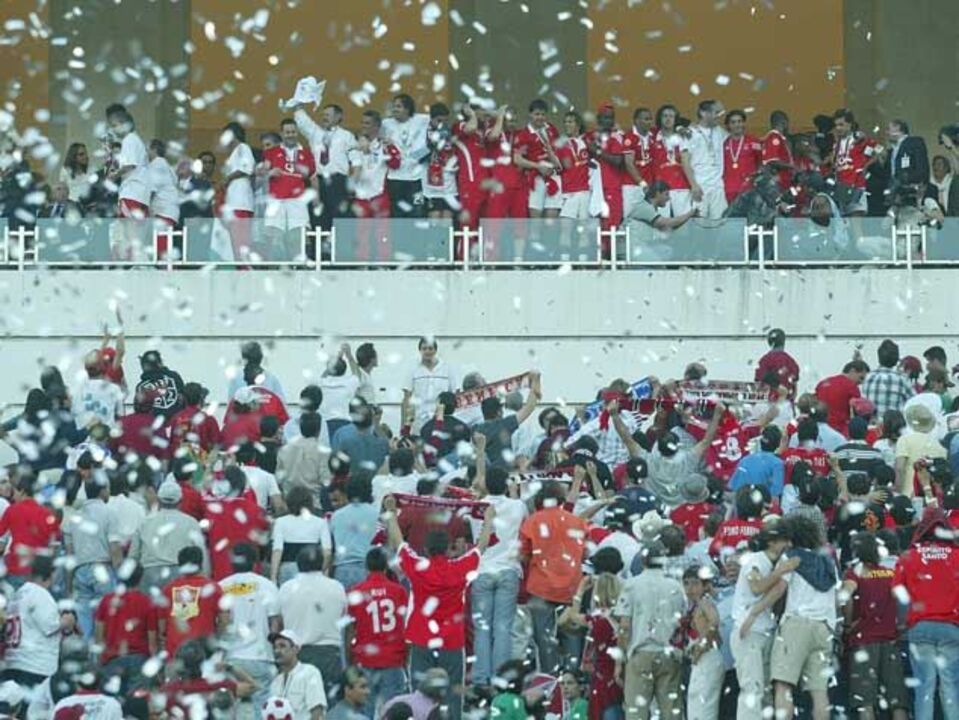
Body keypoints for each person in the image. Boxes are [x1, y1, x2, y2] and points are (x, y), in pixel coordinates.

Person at [383, 493, 494, 720]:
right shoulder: (460, 568)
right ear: (448, 548)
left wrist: (391, 513)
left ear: (425, 549)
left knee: (419, 696)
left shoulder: (418, 567)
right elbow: (481, 546)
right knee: (453, 697)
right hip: (452, 641)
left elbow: (399, 543)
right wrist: (489, 519)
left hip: (422, 638)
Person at [770, 515, 840, 720]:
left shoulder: (791, 558)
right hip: (825, 627)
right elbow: (837, 598)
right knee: (819, 691)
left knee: (783, 685)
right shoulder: (828, 562)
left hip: (796, 624)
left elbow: (779, 590)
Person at [892, 507, 959, 720]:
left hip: (919, 627)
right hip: (951, 627)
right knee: (950, 687)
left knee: (924, 689)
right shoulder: (957, 556)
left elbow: (897, 593)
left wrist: (902, 623)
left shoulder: (908, 557)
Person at [518, 480, 588, 676]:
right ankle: (572, 679)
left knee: (544, 640)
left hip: (541, 587)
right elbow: (585, 553)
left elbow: (523, 555)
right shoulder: (576, 522)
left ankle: (550, 681)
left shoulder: (532, 522)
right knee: (572, 634)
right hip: (572, 588)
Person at [730, 521, 797, 720]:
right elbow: (756, 587)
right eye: (784, 540)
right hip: (749, 630)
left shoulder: (775, 562)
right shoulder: (756, 560)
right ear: (771, 542)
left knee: (766, 689)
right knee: (752, 688)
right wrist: (780, 571)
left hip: (766, 629)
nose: (788, 544)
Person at [470, 464, 527, 691]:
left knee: (482, 628)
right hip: (508, 569)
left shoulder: (476, 507)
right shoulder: (518, 505)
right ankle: (500, 679)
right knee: (503, 628)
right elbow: (523, 520)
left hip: (482, 569)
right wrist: (513, 493)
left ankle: (480, 679)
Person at [840, 534, 909, 720]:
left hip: (863, 641)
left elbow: (845, 596)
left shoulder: (855, 573)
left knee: (865, 701)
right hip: (890, 640)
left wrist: (847, 624)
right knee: (897, 700)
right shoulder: (890, 573)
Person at [614, 540, 686, 720]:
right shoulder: (675, 586)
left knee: (636, 712)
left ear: (643, 560)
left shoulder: (631, 585)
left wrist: (620, 660)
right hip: (668, 652)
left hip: (640, 652)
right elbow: (682, 622)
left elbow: (624, 626)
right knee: (671, 711)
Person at [345, 548, 409, 717]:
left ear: (366, 566)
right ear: (386, 566)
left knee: (364, 713)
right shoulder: (399, 591)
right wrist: (406, 658)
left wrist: (349, 658)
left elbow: (351, 630)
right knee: (393, 714)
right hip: (393, 658)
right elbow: (405, 627)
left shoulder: (356, 592)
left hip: (365, 658)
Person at [277, 547, 347, 701]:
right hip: (330, 654)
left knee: (298, 704)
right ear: (322, 563)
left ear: (298, 564)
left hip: (297, 654)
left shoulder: (286, 588)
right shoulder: (337, 587)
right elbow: (343, 619)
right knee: (330, 705)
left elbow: (279, 623)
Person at [220, 543, 281, 718]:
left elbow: (220, 624)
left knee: (229, 710)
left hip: (231, 658)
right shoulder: (267, 585)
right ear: (255, 563)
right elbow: (275, 624)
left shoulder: (221, 586)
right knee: (261, 710)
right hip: (261, 657)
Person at [62, 471, 122, 637]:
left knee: (84, 623)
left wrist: (68, 586)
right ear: (102, 491)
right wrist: (121, 577)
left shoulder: (73, 518)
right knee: (107, 621)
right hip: (103, 570)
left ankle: (86, 650)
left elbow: (69, 556)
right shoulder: (109, 513)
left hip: (80, 572)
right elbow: (115, 549)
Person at [0, 556, 74, 688]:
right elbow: (50, 626)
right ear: (50, 574)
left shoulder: (18, 595)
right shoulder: (40, 594)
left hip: (14, 664)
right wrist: (67, 621)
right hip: (35, 666)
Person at [129, 479, 206, 593]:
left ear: (159, 500)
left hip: (149, 576)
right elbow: (202, 556)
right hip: (181, 576)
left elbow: (133, 556)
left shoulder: (144, 523)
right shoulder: (191, 523)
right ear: (180, 501)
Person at [156, 545, 229, 658]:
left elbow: (161, 627)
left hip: (174, 654)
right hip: (204, 653)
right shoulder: (213, 589)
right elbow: (224, 621)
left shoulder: (167, 590)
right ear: (201, 564)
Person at [94, 562, 156, 694]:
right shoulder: (147, 602)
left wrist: (99, 661)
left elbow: (99, 635)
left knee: (112, 702)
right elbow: (152, 641)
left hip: (112, 658)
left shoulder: (107, 600)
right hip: (139, 659)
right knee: (136, 703)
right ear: (140, 578)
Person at [293, 103, 356, 229]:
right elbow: (303, 122)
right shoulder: (315, 133)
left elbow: (355, 160)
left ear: (338, 117)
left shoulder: (347, 136)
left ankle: (340, 241)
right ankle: (320, 241)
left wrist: (353, 181)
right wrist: (298, 106)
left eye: (328, 115)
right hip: (318, 182)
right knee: (318, 217)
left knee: (340, 217)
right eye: (323, 115)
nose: (324, 117)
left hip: (338, 181)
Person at [262, 118, 316, 260]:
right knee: (274, 237)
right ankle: (276, 268)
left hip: (297, 200)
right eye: (287, 132)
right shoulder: (271, 152)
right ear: (282, 133)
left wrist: (316, 199)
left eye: (293, 132)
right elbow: (261, 173)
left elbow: (313, 177)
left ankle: (300, 267)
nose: (290, 135)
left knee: (299, 236)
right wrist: (270, 173)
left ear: (297, 132)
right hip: (276, 200)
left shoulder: (307, 153)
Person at [0, 475, 60, 590]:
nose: (13, 496)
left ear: (22, 491)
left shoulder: (12, 510)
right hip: (39, 572)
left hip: (16, 567)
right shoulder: (47, 514)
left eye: (14, 492)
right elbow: (55, 545)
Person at [473, 372, 541, 467]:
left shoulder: (475, 429)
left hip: (483, 471)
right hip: (503, 471)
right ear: (499, 412)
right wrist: (535, 382)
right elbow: (530, 407)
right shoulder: (504, 424)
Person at [271, 484, 332, 584]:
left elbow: (277, 550)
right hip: (313, 568)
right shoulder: (321, 522)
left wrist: (273, 577)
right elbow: (327, 552)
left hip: (288, 567)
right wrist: (322, 572)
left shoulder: (280, 522)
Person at [381, 94, 429, 219]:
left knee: (418, 212)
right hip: (395, 178)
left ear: (407, 109)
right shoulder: (386, 123)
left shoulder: (423, 120)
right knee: (397, 213)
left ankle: (416, 233)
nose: (394, 109)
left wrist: (419, 156)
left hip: (416, 179)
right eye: (394, 106)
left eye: (398, 106)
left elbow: (438, 126)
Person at [513, 99, 561, 219]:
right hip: (536, 179)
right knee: (536, 220)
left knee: (552, 219)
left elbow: (558, 150)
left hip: (553, 176)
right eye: (537, 114)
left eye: (543, 114)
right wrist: (538, 166)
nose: (540, 117)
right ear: (530, 114)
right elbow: (517, 159)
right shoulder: (524, 135)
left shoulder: (551, 129)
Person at [330, 475, 379, 589]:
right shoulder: (377, 514)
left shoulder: (336, 516)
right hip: (369, 568)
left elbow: (331, 545)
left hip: (342, 568)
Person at [402, 337, 458, 434]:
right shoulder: (413, 369)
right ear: (420, 350)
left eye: (430, 348)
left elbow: (455, 395)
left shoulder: (447, 368)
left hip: (442, 420)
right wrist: (404, 425)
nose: (427, 351)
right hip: (419, 420)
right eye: (424, 348)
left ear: (435, 350)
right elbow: (407, 398)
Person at [270, 630, 328, 720]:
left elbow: (317, 711)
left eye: (282, 646)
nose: (277, 651)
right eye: (275, 647)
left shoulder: (310, 672)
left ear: (296, 649)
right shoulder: (275, 681)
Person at [685, 99, 728, 219]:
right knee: (699, 223)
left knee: (720, 223)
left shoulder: (720, 131)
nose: (719, 116)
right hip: (700, 185)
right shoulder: (690, 132)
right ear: (703, 113)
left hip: (718, 186)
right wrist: (693, 185)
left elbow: (737, 137)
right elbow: (685, 161)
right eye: (716, 112)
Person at [220, 121, 257, 260]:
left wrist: (228, 178)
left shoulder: (243, 147)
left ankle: (244, 268)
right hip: (234, 203)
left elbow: (248, 168)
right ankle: (241, 267)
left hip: (241, 203)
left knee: (241, 241)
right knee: (236, 242)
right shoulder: (234, 153)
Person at [652, 104, 692, 216]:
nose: (668, 119)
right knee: (661, 223)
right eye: (665, 116)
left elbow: (686, 162)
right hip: (660, 189)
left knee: (683, 223)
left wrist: (693, 185)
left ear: (676, 119)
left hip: (681, 186)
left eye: (671, 116)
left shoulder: (682, 137)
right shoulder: (653, 137)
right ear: (659, 118)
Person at [330, 399, 389, 475]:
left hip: (347, 478)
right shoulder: (378, 434)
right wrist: (376, 423)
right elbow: (386, 451)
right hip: (373, 478)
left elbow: (335, 460)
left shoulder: (339, 433)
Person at [815, 359, 868, 437]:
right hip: (840, 430)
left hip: (819, 429)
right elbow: (858, 411)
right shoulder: (852, 387)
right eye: (861, 378)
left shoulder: (822, 383)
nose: (861, 383)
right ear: (852, 371)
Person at [73, 350, 125, 429]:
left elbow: (74, 414)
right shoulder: (114, 389)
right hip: (106, 434)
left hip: (82, 435)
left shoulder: (78, 389)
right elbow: (121, 416)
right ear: (104, 366)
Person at [862, 339, 915, 416]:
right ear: (896, 360)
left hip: (872, 422)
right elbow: (914, 403)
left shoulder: (868, 377)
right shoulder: (902, 379)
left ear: (879, 358)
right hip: (894, 422)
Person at [730, 425, 784, 498]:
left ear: (761, 441)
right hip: (760, 503)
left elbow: (732, 487)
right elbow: (776, 492)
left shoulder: (744, 460)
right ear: (778, 444)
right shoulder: (777, 464)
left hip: (740, 502)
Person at [147, 139, 180, 258]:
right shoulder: (167, 166)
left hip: (163, 210)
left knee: (162, 248)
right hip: (170, 210)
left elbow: (151, 190)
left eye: (148, 149)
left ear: (154, 149)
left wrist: (145, 208)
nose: (146, 152)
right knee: (165, 245)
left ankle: (166, 268)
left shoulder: (156, 164)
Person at [723, 109, 763, 204]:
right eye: (733, 122)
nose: (737, 125)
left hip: (748, 189)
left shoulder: (754, 141)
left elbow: (760, 163)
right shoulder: (723, 143)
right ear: (728, 126)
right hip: (727, 189)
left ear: (744, 123)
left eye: (739, 121)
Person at [135, 349, 185, 420]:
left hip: (154, 424)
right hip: (176, 421)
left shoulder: (141, 387)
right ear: (160, 363)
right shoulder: (174, 376)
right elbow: (183, 399)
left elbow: (140, 410)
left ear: (145, 365)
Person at [754, 328, 800, 399]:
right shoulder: (791, 362)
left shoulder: (764, 361)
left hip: (768, 402)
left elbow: (758, 385)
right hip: (786, 401)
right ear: (783, 342)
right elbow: (794, 390)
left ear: (769, 342)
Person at [886, 118, 929, 190]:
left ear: (897, 127)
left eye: (888, 129)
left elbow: (921, 166)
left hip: (911, 187)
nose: (887, 132)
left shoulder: (914, 143)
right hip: (895, 188)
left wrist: (915, 181)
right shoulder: (891, 151)